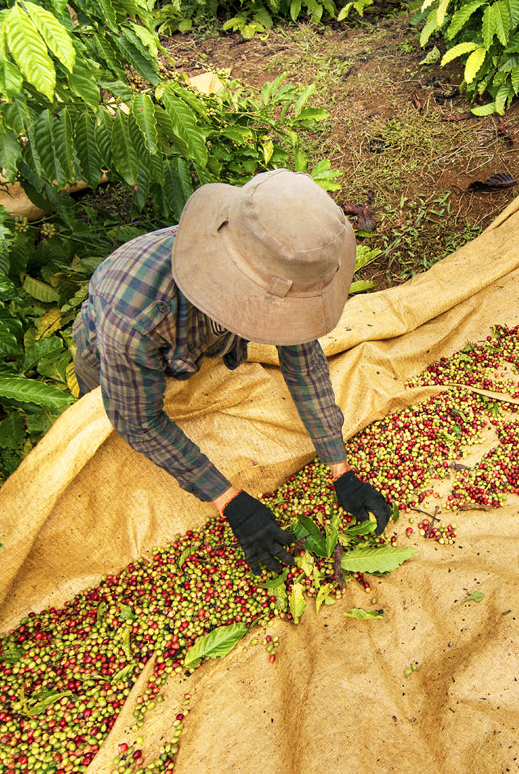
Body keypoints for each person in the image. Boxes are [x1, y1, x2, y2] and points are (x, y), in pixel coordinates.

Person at [73, 169, 391, 575]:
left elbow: (303, 361)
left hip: (189, 338)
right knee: (105, 441)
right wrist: (230, 501)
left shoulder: (276, 255)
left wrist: (339, 468)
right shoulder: (136, 316)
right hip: (109, 357)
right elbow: (136, 419)